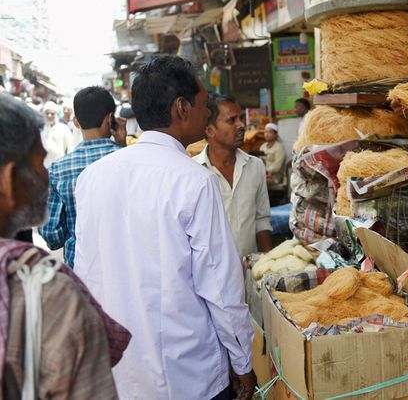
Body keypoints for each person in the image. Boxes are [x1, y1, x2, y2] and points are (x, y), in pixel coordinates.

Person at [74, 56, 256, 399]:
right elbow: (220, 288)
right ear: (182, 107)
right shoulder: (194, 181)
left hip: (120, 376)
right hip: (189, 376)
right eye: (203, 104)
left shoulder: (92, 178)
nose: (207, 114)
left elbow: (85, 277)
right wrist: (243, 363)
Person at [0, 93, 130, 398]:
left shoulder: (62, 170)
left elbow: (54, 236)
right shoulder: (49, 294)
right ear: (8, 180)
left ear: (76, 120)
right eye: (39, 161)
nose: (45, 172)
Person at [38, 87, 126, 268]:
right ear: (111, 119)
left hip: (81, 270)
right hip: (127, 268)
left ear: (76, 122)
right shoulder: (130, 161)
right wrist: (123, 145)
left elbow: (52, 235)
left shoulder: (58, 170)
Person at [194, 93, 273, 257]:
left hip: (249, 272)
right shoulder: (193, 172)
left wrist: (269, 265)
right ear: (210, 130)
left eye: (241, 118)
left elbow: (262, 219)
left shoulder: (255, 166)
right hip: (211, 276)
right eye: (232, 120)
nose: (241, 125)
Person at [40, 101, 73, 167]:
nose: (49, 116)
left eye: (52, 113)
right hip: (44, 167)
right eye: (47, 113)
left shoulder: (63, 128)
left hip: (60, 165)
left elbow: (70, 149)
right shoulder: (41, 129)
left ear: (56, 114)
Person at [260, 122, 287, 189]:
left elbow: (277, 167)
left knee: (257, 181)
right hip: (263, 174)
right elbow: (259, 161)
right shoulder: (262, 147)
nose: (267, 134)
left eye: (270, 132)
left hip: (275, 177)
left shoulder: (279, 147)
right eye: (265, 132)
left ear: (275, 135)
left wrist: (265, 171)